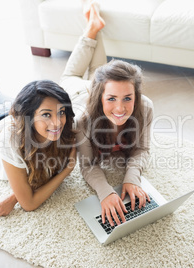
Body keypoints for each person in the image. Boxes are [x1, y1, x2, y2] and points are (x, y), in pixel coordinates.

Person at [0, 8, 76, 217]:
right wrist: (66, 171)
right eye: (47, 115)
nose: (57, 122)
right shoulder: (10, 142)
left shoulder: (65, 128)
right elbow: (29, 203)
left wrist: (13, 195)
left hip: (12, 108)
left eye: (61, 112)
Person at [60, 2, 154, 227]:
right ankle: (91, 28)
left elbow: (142, 149)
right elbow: (87, 164)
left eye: (128, 98)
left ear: (137, 95)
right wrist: (106, 192)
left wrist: (132, 179)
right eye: (111, 99)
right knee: (71, 74)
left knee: (99, 70)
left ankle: (94, 24)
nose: (120, 109)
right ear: (99, 97)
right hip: (74, 90)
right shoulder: (82, 120)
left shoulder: (146, 108)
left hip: (100, 85)